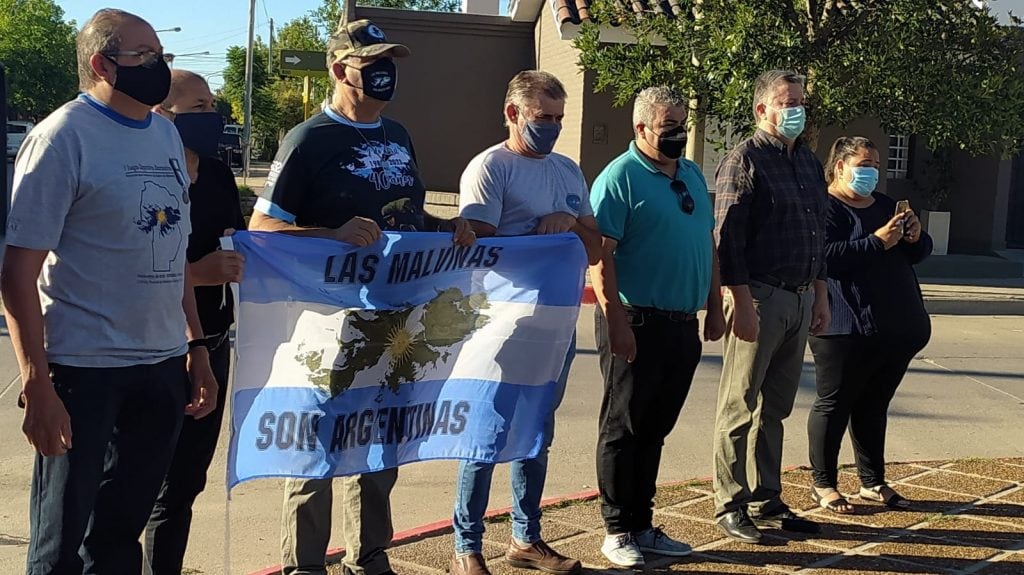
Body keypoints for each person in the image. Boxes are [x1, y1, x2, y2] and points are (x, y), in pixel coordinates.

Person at [248, 19, 474, 575]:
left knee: (380, 443)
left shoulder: (397, 135)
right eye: (372, 62)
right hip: (328, 321)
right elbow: (261, 229)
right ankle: (305, 565)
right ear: (338, 69)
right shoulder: (307, 140)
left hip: (396, 314)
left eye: (390, 61)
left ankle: (369, 556)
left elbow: (407, 218)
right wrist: (332, 234)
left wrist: (451, 228)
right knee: (318, 442)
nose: (384, 72)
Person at [1, 9, 217, 574]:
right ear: (101, 65)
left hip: (162, 366)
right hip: (83, 372)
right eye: (145, 56)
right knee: (60, 545)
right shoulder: (62, 138)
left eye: (161, 55)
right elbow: (17, 272)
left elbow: (172, 256)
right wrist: (37, 386)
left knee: (118, 540)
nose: (161, 67)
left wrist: (196, 349)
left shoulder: (165, 133)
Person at [452, 69, 601, 575]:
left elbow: (596, 243)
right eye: (544, 117)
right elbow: (477, 249)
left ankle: (526, 537)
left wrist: (570, 223)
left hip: (554, 327)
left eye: (560, 118)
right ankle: (466, 547)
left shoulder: (567, 170)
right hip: (499, 325)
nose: (553, 127)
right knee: (485, 435)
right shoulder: (490, 168)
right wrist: (541, 234)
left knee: (536, 432)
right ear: (513, 113)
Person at [589, 86, 725, 567]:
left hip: (681, 323)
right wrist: (616, 321)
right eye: (669, 129)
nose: (679, 136)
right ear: (641, 128)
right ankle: (616, 529)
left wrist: (714, 302)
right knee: (623, 427)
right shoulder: (619, 179)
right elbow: (600, 258)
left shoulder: (689, 172)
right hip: (635, 320)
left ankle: (643, 524)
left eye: (682, 126)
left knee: (655, 428)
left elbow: (705, 240)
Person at [712, 69, 830, 544]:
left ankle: (768, 498)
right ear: (763, 109)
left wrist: (819, 296)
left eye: (800, 100)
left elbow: (819, 233)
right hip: (759, 296)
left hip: (800, 297)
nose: (796, 108)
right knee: (739, 405)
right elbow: (727, 241)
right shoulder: (744, 160)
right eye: (787, 101)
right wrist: (739, 302)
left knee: (775, 408)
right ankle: (731, 501)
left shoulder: (806, 160)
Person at [144, 69, 247, 574]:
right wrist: (198, 274)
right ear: (162, 114)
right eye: (199, 108)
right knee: (138, 483)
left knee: (185, 483)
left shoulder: (220, 173)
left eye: (213, 105)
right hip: (156, 346)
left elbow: (241, 240)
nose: (214, 117)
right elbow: (131, 261)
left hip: (213, 340)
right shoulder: (146, 177)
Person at [806, 136, 932, 513]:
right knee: (835, 403)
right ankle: (824, 483)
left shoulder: (885, 205)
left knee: (874, 405)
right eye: (864, 165)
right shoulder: (824, 206)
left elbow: (918, 253)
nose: (871, 172)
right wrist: (876, 242)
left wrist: (914, 236)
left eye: (876, 165)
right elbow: (825, 257)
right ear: (840, 166)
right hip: (843, 326)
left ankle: (872, 481)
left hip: (895, 328)